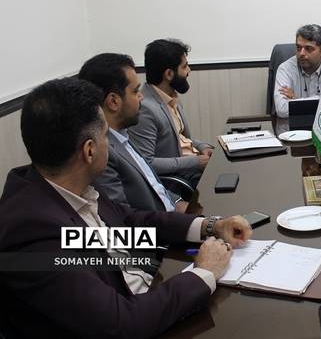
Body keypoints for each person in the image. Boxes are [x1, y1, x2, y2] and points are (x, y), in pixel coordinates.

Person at [0, 78, 252, 337]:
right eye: (106, 136)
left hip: (146, 295)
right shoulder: (32, 234)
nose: (110, 144)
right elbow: (122, 324)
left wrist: (211, 226)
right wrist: (203, 272)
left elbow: (131, 224)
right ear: (89, 151)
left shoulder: (67, 186)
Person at [79, 53, 188, 212]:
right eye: (135, 91)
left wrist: (180, 204)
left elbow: (155, 187)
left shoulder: (122, 135)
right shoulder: (103, 153)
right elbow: (124, 218)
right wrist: (189, 222)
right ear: (114, 101)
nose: (141, 97)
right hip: (161, 225)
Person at [129, 39, 213, 187]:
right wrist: (196, 162)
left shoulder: (170, 98)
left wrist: (204, 147)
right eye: (184, 66)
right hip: (182, 180)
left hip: (194, 170)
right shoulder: (145, 109)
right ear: (169, 74)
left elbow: (182, 139)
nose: (189, 71)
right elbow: (146, 162)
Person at [273, 24, 321, 118]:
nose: (301, 53)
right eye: (298, 48)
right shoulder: (285, 69)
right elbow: (282, 109)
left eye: (308, 49)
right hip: (293, 127)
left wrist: (296, 100)